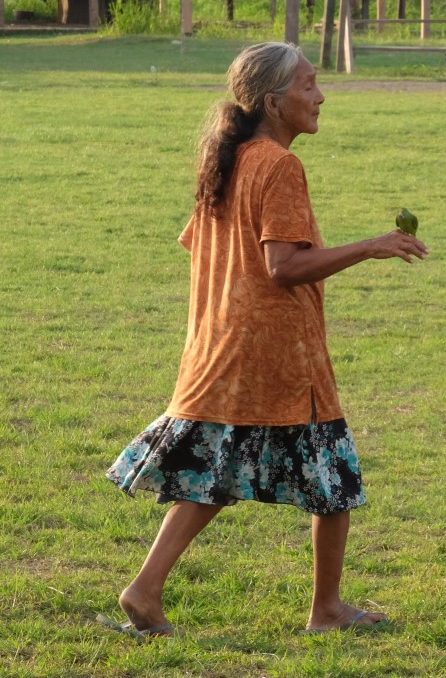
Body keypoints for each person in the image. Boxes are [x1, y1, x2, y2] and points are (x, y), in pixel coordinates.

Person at [103, 42, 428, 636]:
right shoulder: (279, 166)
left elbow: (202, 248)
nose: (320, 96)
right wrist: (371, 246)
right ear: (274, 103)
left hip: (222, 346)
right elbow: (283, 267)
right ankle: (327, 611)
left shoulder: (227, 160)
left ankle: (144, 590)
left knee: (215, 472)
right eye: (309, 85)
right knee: (332, 479)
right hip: (280, 355)